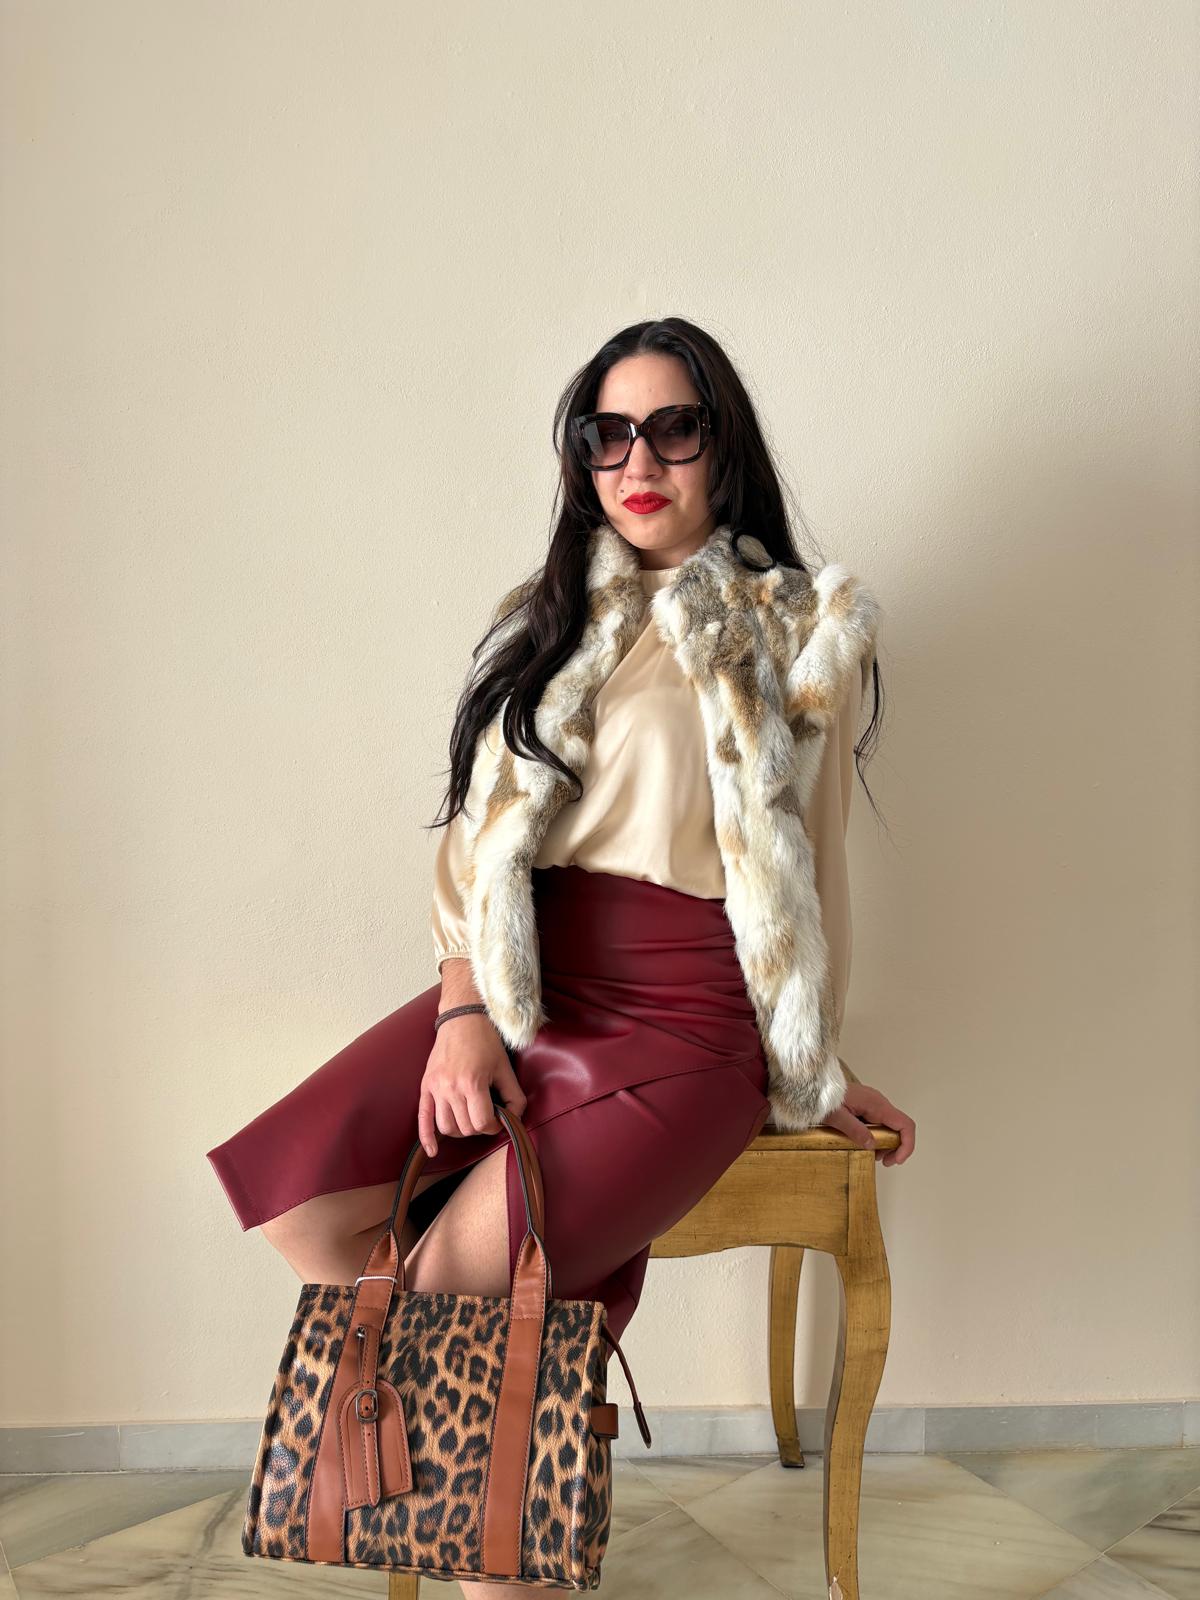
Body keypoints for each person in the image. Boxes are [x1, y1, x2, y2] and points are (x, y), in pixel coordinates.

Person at [206, 315, 916, 1599]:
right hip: (524, 981)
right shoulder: (552, 621)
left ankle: (502, 1559)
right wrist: (465, 1009)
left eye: (672, 428)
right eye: (607, 434)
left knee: (446, 1293)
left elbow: (810, 870)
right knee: (300, 1207)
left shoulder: (801, 628)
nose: (637, 460)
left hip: (684, 1021)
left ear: (723, 445)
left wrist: (816, 1068)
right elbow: (479, 844)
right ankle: (535, 1432)